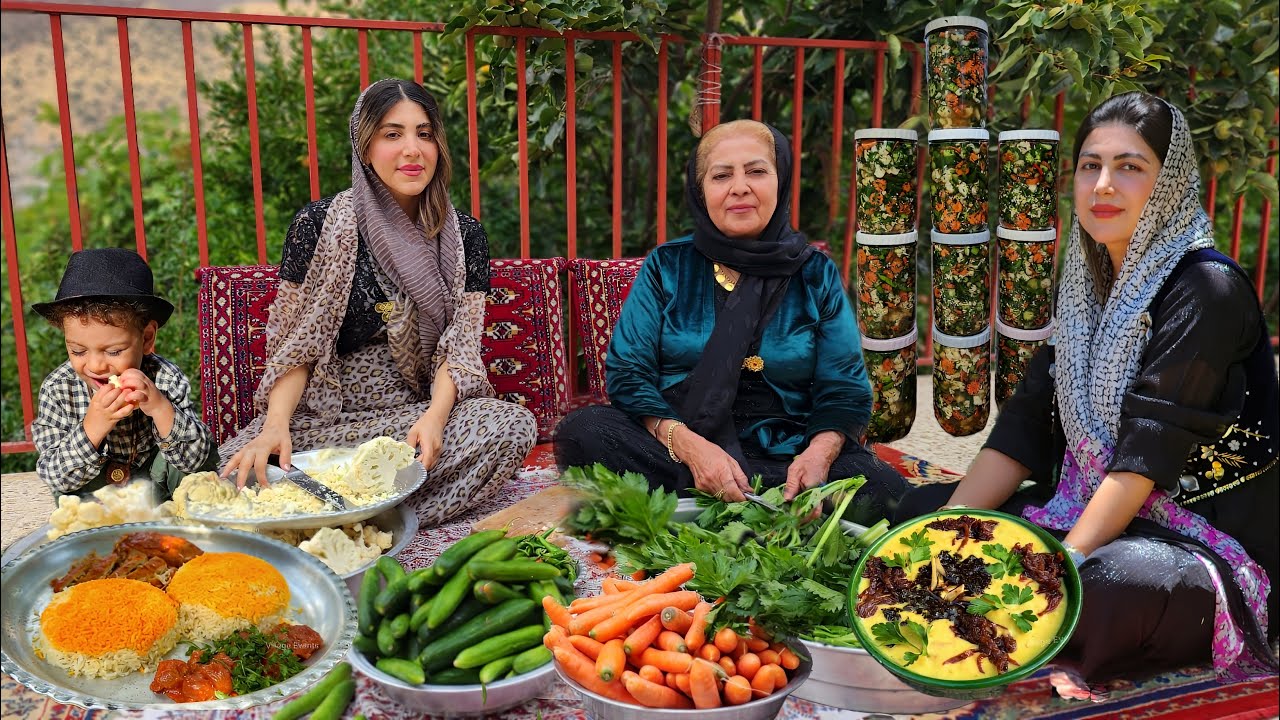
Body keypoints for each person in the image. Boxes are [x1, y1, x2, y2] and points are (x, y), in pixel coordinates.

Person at [895, 92, 1278, 693]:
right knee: (919, 518)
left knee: (1104, 587)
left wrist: (1058, 569)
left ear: (1170, 184)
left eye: (1130, 167)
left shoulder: (1207, 288)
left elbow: (1147, 452)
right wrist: (943, 528)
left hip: (1196, 536)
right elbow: (1026, 425)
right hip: (1092, 508)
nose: (1103, 185)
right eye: (1090, 165)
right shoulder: (1085, 285)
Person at [555, 119, 907, 526]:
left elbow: (844, 387)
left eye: (756, 171)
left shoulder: (815, 273)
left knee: (887, 491)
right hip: (681, 445)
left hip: (789, 451)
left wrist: (819, 455)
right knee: (584, 432)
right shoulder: (668, 266)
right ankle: (761, 504)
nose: (739, 187)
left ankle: (728, 500)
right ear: (701, 190)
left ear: (781, 180)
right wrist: (692, 448)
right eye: (721, 176)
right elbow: (628, 373)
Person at [219, 78, 536, 525]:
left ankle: (336, 515)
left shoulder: (465, 236)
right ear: (364, 147)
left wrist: (435, 418)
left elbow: (460, 348)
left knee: (510, 426)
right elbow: (296, 346)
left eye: (424, 134)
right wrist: (275, 427)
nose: (412, 149)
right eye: (392, 134)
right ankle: (367, 509)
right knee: (227, 480)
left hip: (412, 417)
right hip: (324, 422)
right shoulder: (319, 225)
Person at [32, 247, 218, 498]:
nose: (96, 366)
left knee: (202, 460)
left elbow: (196, 460)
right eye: (78, 351)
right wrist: (93, 427)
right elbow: (55, 476)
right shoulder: (58, 389)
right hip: (94, 498)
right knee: (65, 486)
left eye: (114, 351)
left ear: (147, 338)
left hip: (157, 490)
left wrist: (160, 408)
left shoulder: (165, 378)